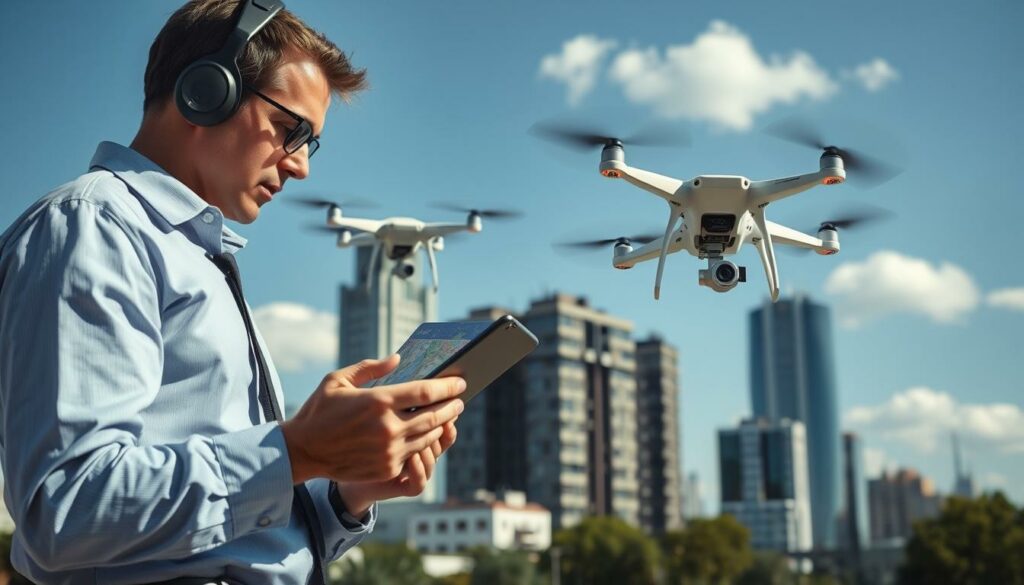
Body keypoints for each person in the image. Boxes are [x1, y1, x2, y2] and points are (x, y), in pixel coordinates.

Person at [0, 1, 465, 583]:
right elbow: (66, 510)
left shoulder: (198, 258)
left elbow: (240, 540)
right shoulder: (93, 228)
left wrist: (348, 491)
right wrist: (297, 451)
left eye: (311, 143)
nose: (301, 167)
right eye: (290, 130)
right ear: (205, 91)